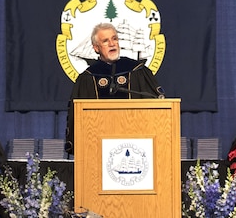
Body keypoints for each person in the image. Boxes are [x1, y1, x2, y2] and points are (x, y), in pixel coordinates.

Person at [65, 22, 164, 151]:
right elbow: (77, 118)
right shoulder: (88, 77)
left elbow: (155, 106)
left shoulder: (137, 70)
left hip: (137, 144)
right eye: (105, 41)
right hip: (97, 147)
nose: (112, 44)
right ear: (96, 48)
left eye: (114, 39)